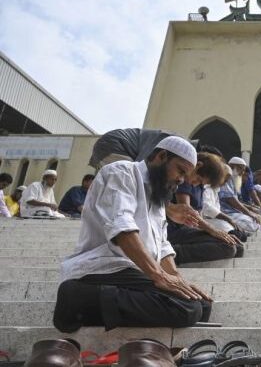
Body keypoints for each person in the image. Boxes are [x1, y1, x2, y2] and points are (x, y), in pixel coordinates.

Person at [54, 136, 212, 333]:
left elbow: (162, 246)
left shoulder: (158, 194)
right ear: (162, 156)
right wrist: (158, 276)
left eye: (185, 175)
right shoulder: (121, 172)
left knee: (202, 305)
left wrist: (178, 280)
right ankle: (77, 299)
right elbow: (123, 229)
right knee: (188, 308)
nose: (181, 180)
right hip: (105, 268)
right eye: (180, 170)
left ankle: (102, 302)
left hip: (134, 270)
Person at [168, 153, 244, 265]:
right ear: (197, 166)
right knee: (228, 247)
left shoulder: (196, 184)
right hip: (174, 230)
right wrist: (212, 231)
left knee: (237, 247)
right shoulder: (184, 179)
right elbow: (187, 212)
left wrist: (214, 233)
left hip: (188, 229)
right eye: (198, 179)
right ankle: (172, 253)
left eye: (201, 182)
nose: (195, 184)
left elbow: (198, 214)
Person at [219, 160, 261, 233]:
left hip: (234, 212)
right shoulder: (225, 178)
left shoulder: (232, 180)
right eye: (241, 169)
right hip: (225, 213)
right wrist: (250, 213)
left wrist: (251, 209)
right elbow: (231, 200)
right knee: (252, 224)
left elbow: (236, 201)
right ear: (231, 166)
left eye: (243, 170)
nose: (242, 173)